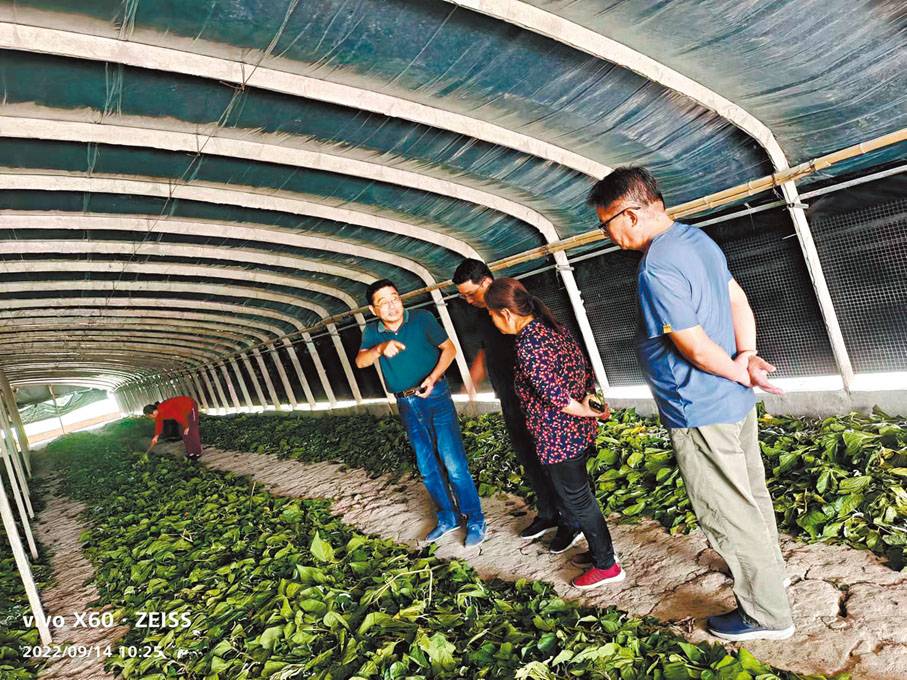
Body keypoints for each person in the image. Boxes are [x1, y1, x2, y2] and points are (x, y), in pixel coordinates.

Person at [587, 166, 793, 640]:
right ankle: (771, 575)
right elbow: (738, 299)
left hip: (698, 406)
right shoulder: (696, 240)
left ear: (631, 214)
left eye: (605, 224)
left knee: (726, 512)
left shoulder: (657, 267)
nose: (607, 234)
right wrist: (747, 356)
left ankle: (767, 615)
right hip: (734, 400)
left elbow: (695, 347)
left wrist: (740, 366)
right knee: (751, 494)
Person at [484, 277, 624, 590]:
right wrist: (591, 403)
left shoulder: (527, 344)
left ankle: (607, 565)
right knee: (582, 496)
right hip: (579, 433)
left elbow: (555, 396)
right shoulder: (554, 328)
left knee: (578, 502)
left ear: (506, 314)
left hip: (559, 437)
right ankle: (599, 551)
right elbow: (584, 369)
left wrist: (586, 408)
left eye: (492, 316)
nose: (492, 322)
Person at [453, 259, 582, 552]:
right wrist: (474, 377)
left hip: (535, 401)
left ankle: (571, 523)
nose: (467, 300)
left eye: (470, 294)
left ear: (486, 283)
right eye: (462, 296)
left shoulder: (515, 307)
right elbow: (487, 349)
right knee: (528, 458)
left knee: (550, 461)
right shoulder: (485, 314)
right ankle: (548, 513)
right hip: (510, 399)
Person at [355, 279, 486, 548]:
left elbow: (449, 350)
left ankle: (475, 518)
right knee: (427, 467)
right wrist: (379, 349)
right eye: (384, 302)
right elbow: (360, 361)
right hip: (406, 404)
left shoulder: (422, 319)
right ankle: (447, 517)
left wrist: (433, 377)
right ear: (373, 309)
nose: (392, 306)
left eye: (395, 298)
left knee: (453, 462)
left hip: (435, 395)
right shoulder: (372, 332)